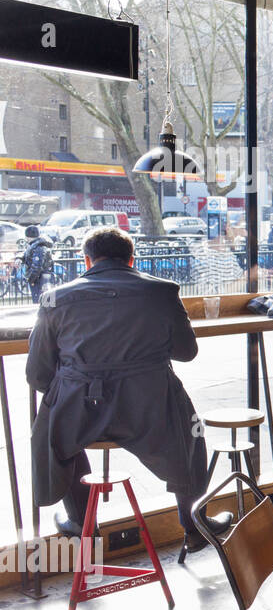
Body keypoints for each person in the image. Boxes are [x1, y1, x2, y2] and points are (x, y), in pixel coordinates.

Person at [25, 228, 223, 550]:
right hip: (149, 410)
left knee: (57, 435)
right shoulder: (162, 292)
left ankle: (82, 526)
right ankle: (194, 525)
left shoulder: (55, 299)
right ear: (132, 259)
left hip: (80, 412)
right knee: (193, 432)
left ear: (86, 260)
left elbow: (36, 376)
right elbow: (187, 352)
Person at [21, 225, 56, 303]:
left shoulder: (38, 247)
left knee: (41, 303)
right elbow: (26, 255)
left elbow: (37, 267)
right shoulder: (38, 245)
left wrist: (31, 279)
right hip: (45, 278)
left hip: (40, 279)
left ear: (27, 236)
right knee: (48, 303)